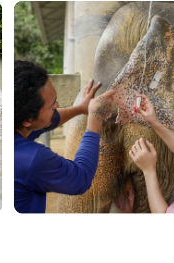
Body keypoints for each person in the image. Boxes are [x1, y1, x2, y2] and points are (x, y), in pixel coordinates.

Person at [12, 60, 117, 214]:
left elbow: (49, 120)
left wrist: (79, 108)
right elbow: (80, 179)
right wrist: (95, 121)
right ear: (28, 120)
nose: (58, 105)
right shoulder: (33, 160)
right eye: (52, 105)